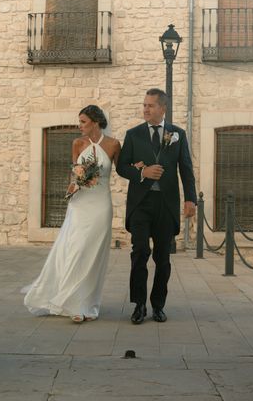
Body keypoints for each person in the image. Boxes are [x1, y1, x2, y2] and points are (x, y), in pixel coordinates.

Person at [24, 105, 121, 323]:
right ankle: (72, 303)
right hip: (80, 203)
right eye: (79, 122)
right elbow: (75, 174)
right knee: (76, 250)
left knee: (94, 254)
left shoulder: (113, 144)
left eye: (83, 122)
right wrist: (73, 186)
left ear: (96, 122)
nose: (79, 126)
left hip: (101, 204)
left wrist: (142, 169)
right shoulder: (77, 143)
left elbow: (122, 169)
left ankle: (87, 303)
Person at [116, 88, 197, 324]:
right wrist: (143, 172)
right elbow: (122, 167)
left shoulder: (177, 134)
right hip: (141, 204)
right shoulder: (133, 134)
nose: (145, 109)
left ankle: (158, 305)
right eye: (144, 105)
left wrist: (190, 199)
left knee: (163, 259)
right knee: (139, 253)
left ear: (163, 108)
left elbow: (186, 169)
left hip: (166, 205)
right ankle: (139, 305)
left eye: (150, 105)